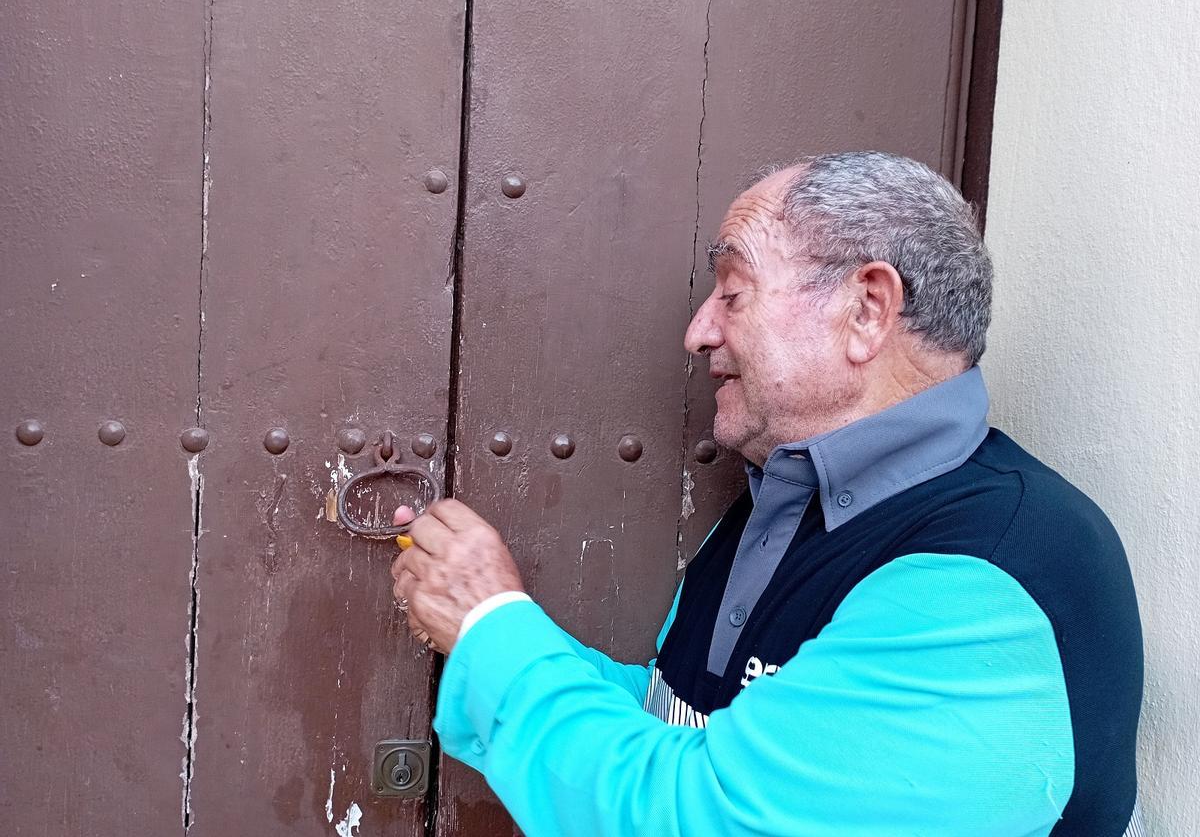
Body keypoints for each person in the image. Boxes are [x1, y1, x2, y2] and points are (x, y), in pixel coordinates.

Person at [389, 152, 1143, 836]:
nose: (698, 331)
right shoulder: (776, 504)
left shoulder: (987, 573)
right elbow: (683, 721)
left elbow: (704, 816)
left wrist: (491, 626)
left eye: (732, 291)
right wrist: (488, 625)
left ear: (868, 309)